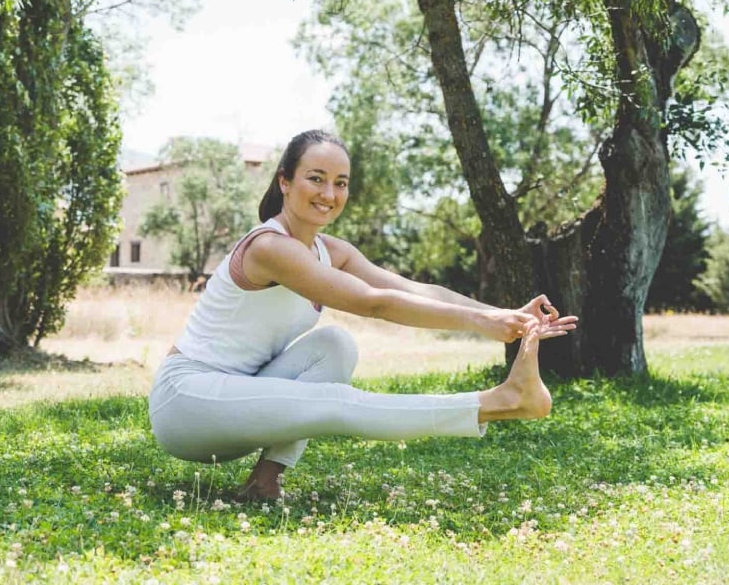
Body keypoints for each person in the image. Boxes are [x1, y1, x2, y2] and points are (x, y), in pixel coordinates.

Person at [148, 130, 578, 500]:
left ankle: (264, 482)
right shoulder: (269, 247)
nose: (328, 194)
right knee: (333, 402)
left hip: (241, 397)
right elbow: (374, 302)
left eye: (340, 183)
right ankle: (494, 403)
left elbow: (411, 288)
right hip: (187, 403)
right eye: (315, 179)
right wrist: (483, 326)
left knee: (334, 345)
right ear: (285, 181)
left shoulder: (329, 251)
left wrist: (501, 313)